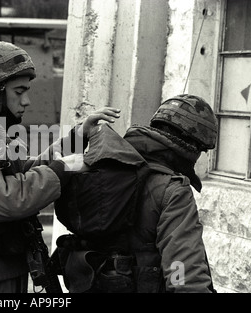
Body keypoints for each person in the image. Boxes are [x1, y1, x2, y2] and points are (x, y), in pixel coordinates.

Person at [0, 41, 121, 293]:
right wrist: (62, 169)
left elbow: (28, 170)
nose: (26, 101)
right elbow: (9, 198)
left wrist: (78, 137)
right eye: (19, 92)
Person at [56, 94, 218, 293]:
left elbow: (45, 168)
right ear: (193, 147)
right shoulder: (173, 190)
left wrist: (78, 135)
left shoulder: (103, 165)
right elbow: (182, 269)